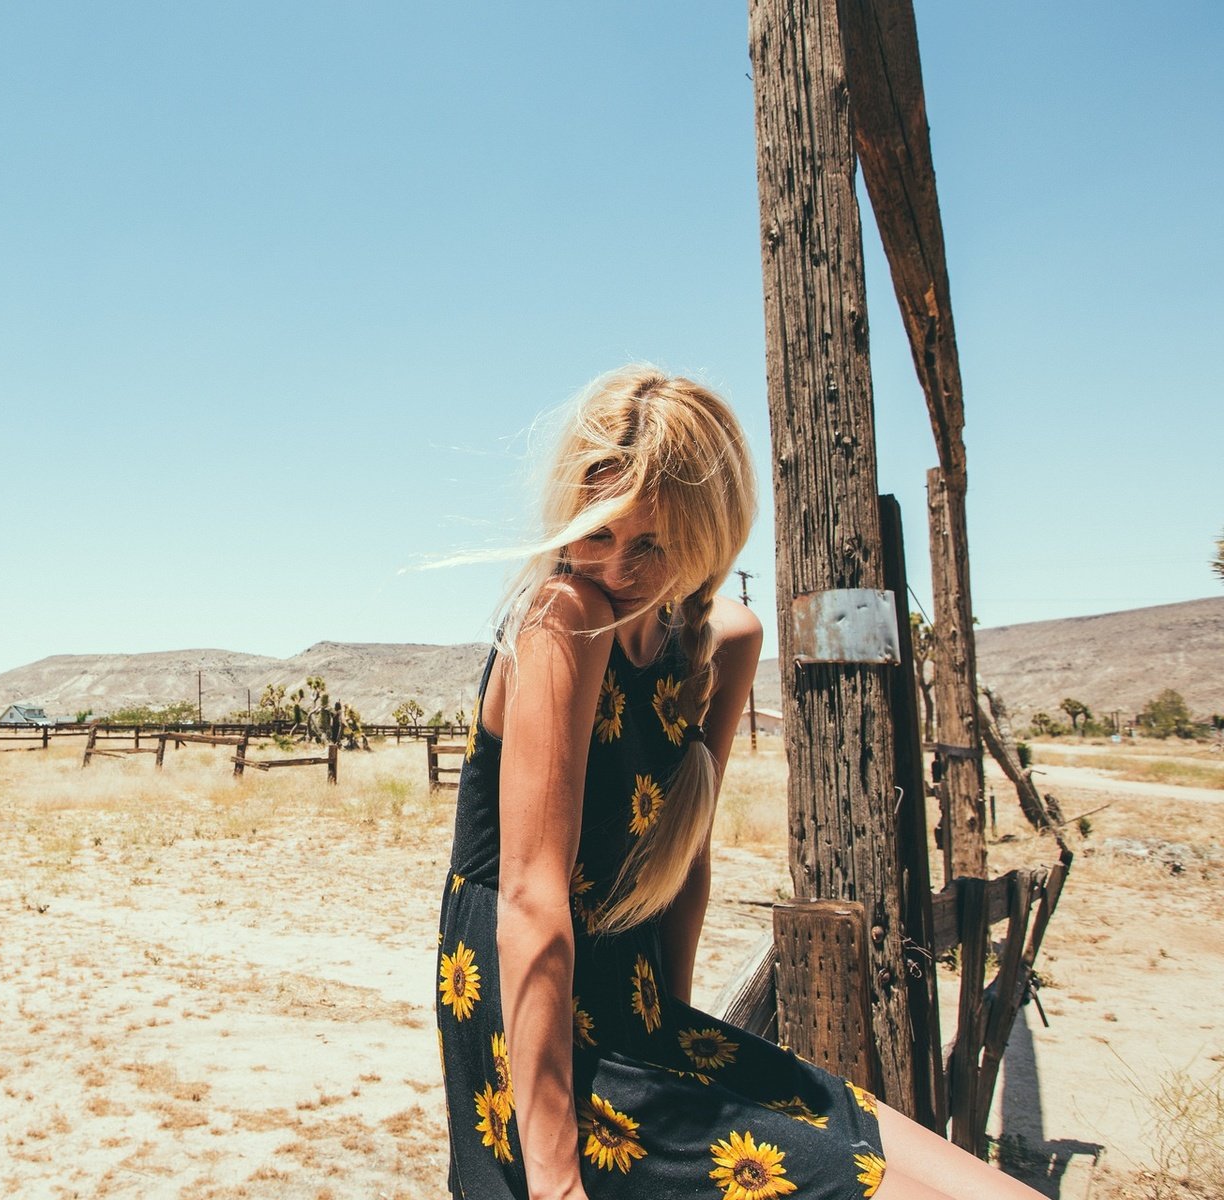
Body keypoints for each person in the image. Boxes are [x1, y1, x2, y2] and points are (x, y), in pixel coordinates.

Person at [434, 366, 1041, 1199]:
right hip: (540, 1031)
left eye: (652, 544)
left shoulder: (722, 641)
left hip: (640, 1016)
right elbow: (531, 895)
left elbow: (683, 862)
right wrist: (554, 1183)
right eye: (599, 530)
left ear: (710, 536)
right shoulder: (561, 618)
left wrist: (682, 1034)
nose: (615, 566)